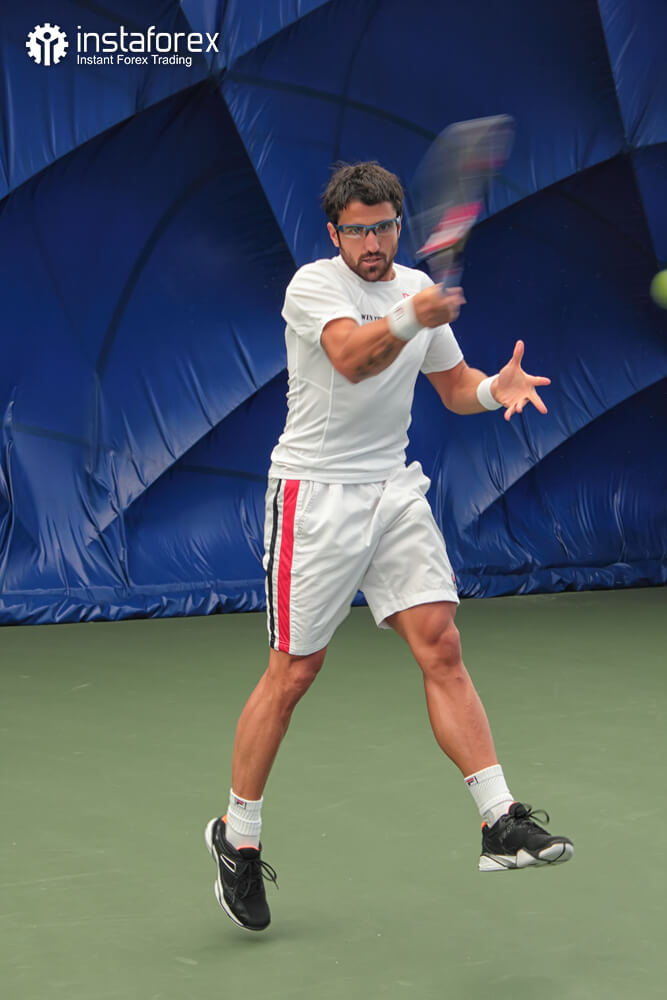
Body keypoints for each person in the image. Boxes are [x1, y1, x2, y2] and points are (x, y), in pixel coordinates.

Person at [205, 161, 573, 932]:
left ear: (399, 225)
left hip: (391, 490)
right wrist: (414, 314)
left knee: (441, 644)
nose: (371, 242)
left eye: (382, 227)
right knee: (293, 673)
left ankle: (497, 818)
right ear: (333, 233)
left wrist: (493, 390)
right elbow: (351, 356)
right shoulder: (313, 287)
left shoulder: (414, 287)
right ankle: (238, 839)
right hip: (313, 497)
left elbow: (454, 385)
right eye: (356, 230)